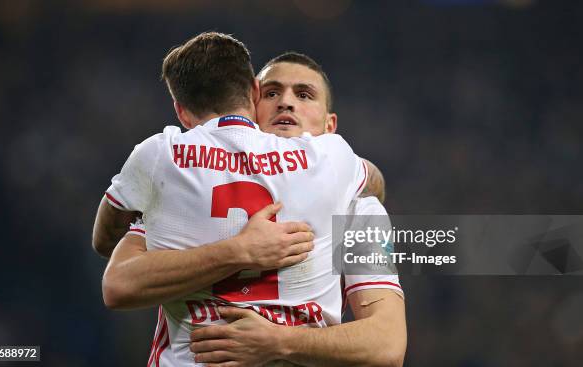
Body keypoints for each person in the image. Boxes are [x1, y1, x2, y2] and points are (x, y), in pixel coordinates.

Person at [93, 33, 400, 367]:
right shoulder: (182, 187)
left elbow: (386, 344)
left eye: (304, 94)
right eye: (272, 92)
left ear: (330, 126)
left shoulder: (359, 207)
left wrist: (280, 342)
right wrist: (238, 251)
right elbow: (119, 282)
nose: (286, 102)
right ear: (252, 103)